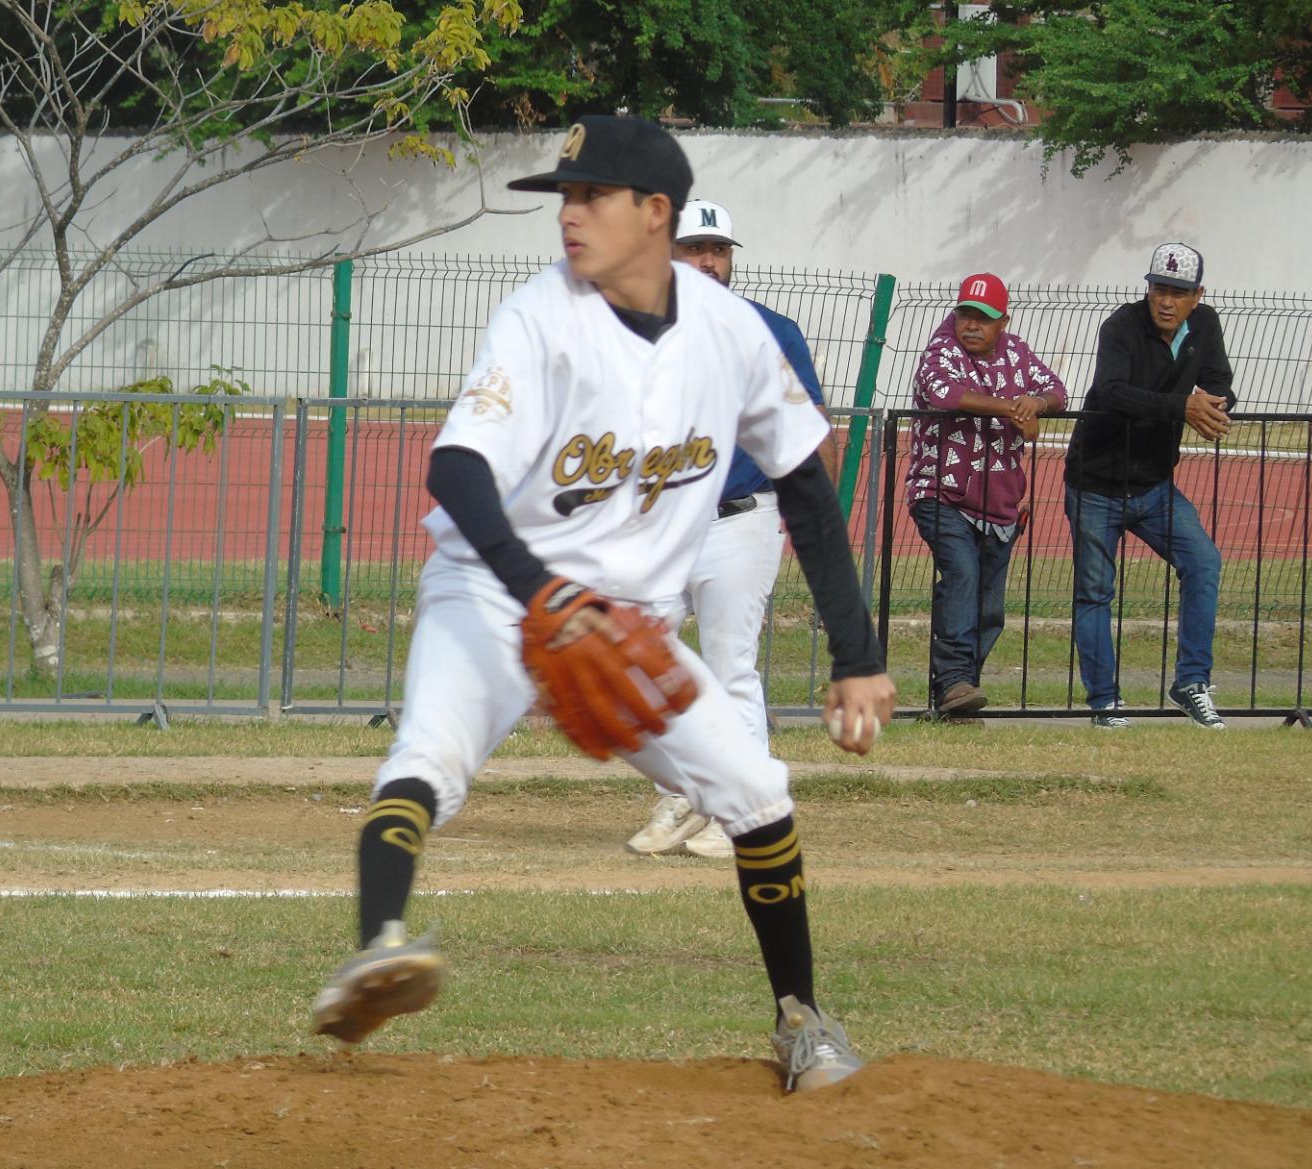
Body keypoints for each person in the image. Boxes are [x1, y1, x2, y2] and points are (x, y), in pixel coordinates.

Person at [311, 115, 897, 1093]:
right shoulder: (539, 318)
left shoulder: (732, 335)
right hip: (498, 593)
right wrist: (541, 590)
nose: (568, 214)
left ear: (654, 212)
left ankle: (801, 1016)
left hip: (632, 628)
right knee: (427, 758)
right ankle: (377, 949)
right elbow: (457, 465)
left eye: (589, 194)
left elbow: (804, 480)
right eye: (563, 196)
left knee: (755, 792)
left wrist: (856, 650)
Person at [625, 198, 840, 860]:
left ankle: (745, 812)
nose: (709, 261)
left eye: (719, 250)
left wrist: (819, 526)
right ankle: (693, 788)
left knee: (730, 668)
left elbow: (813, 437)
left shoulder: (771, 330)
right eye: (696, 248)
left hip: (741, 519)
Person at [1064, 242, 1234, 730]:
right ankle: (1105, 702)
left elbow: (1220, 379)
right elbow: (1113, 392)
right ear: (1148, 288)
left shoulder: (1205, 326)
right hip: (1095, 484)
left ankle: (1192, 682)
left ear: (1197, 296)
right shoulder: (1120, 326)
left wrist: (1217, 409)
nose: (1166, 301)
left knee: (1203, 561)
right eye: (1159, 288)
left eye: (1179, 292)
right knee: (1095, 593)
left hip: (1156, 485)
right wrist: (1182, 407)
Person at [904, 273, 1066, 718]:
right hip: (941, 492)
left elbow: (1057, 391)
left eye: (984, 318)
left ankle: (960, 693)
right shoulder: (942, 350)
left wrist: (1037, 404)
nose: (971, 325)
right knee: (962, 576)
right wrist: (1012, 407)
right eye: (965, 315)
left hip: (1001, 503)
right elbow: (943, 392)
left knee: (990, 605)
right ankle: (954, 681)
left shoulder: (1017, 353)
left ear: (1004, 322)